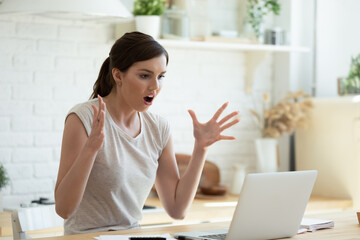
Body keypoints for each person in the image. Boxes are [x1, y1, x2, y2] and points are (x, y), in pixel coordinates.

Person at [54, 31, 240, 235]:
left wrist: (200, 148)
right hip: (87, 238)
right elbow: (64, 209)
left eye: (160, 77)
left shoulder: (158, 128)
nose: (155, 86)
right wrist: (90, 149)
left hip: (132, 235)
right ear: (118, 75)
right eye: (144, 76)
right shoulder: (83, 118)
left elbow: (177, 209)